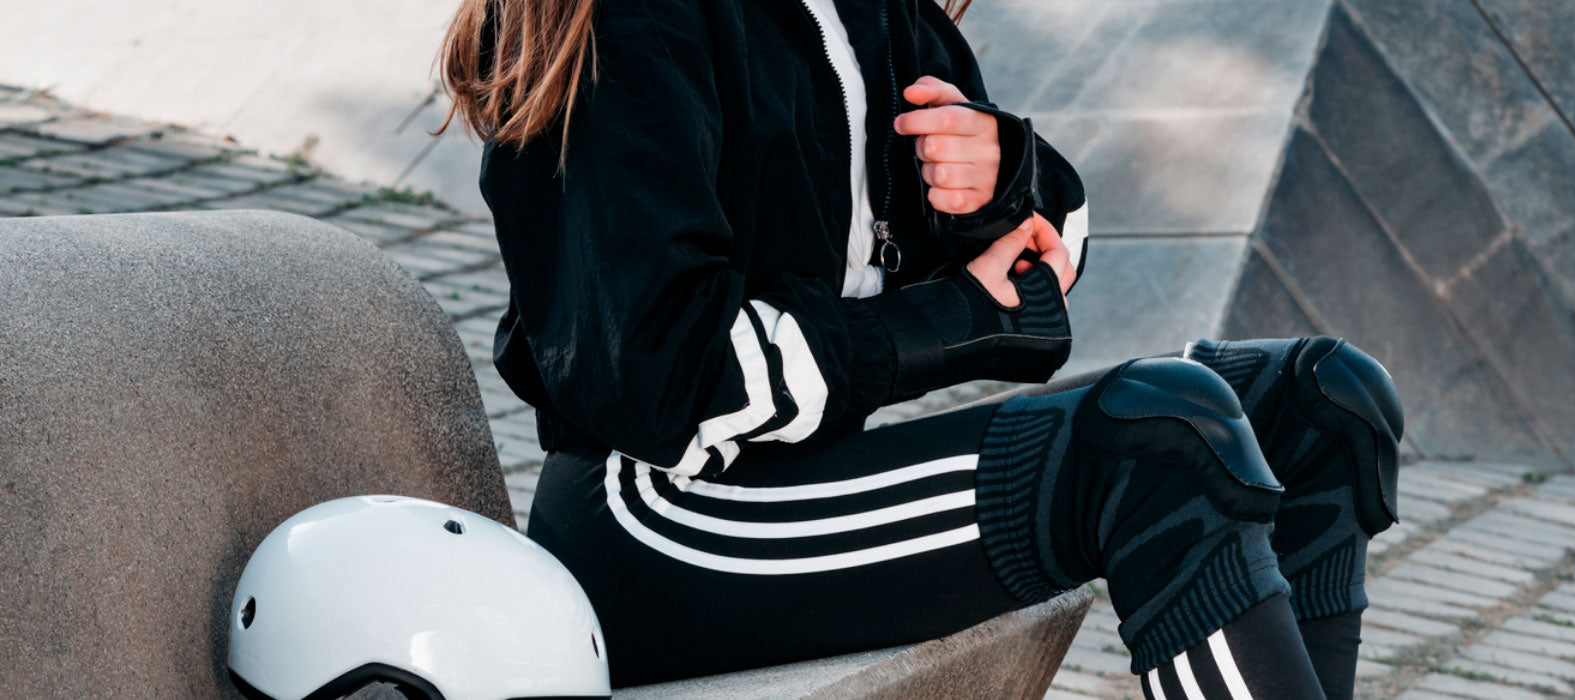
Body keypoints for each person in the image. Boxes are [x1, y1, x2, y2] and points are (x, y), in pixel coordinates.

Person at [437, 0, 1404, 697]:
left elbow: (1042, 258)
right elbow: (668, 376)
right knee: (1162, 447)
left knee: (1323, 400)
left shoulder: (865, 16)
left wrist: (1002, 173)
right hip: (662, 514)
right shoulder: (621, 29)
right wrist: (947, 320)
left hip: (806, 479)